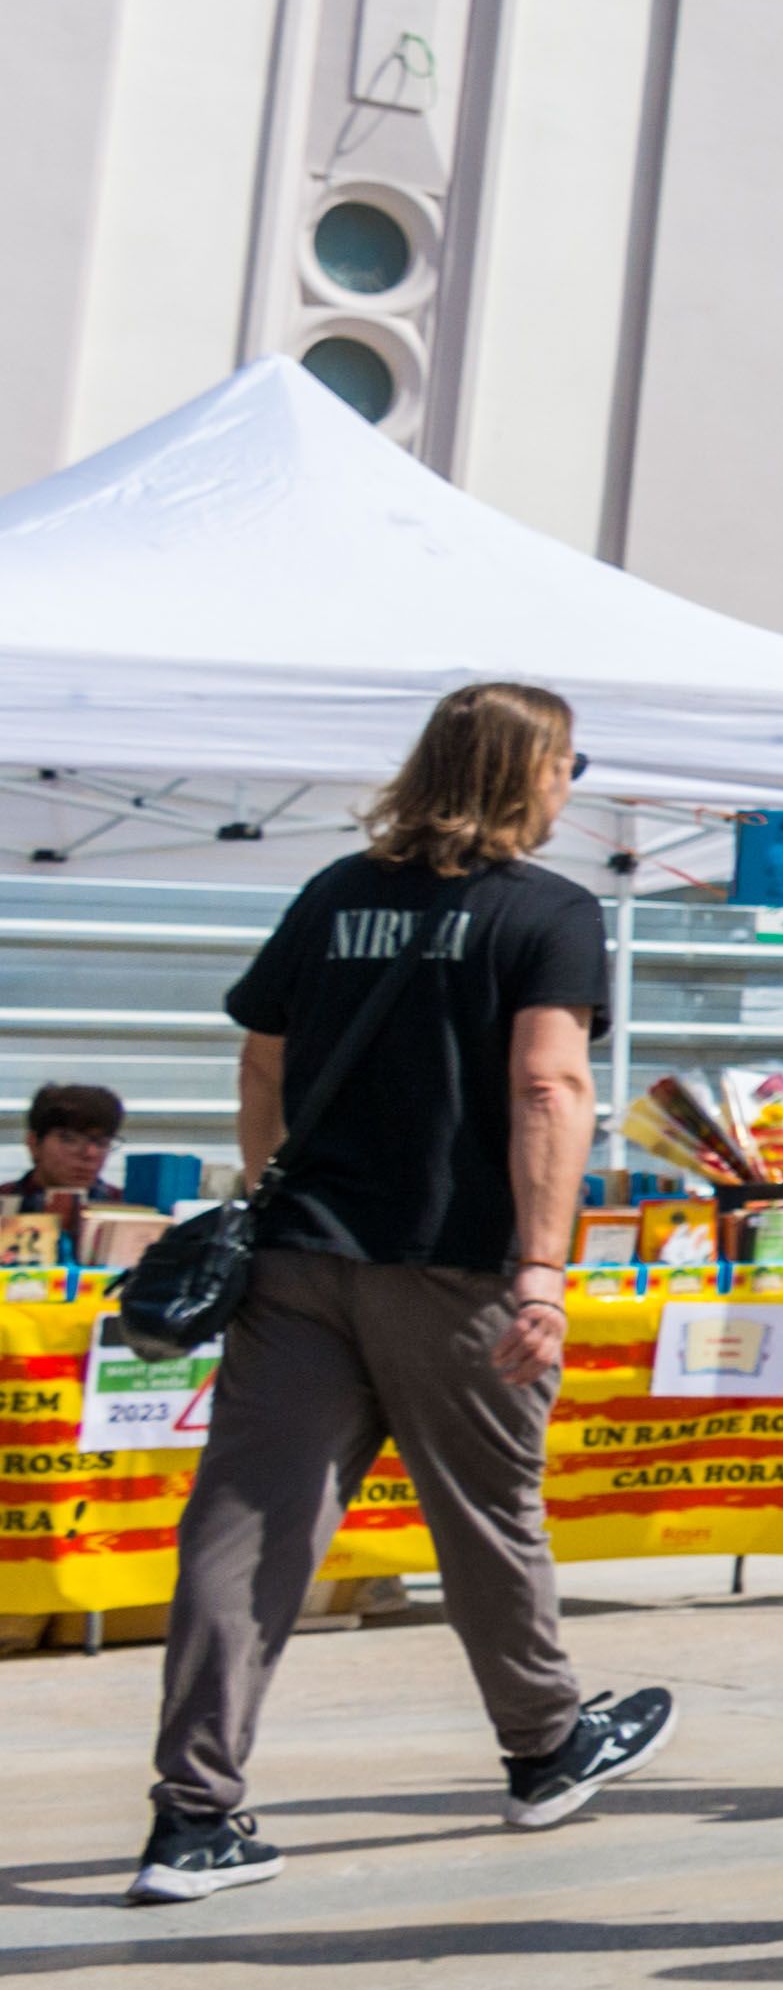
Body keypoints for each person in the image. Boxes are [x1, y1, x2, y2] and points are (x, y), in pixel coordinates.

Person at [132, 683, 671, 1904]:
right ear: (528, 773)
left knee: (248, 1529)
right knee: (485, 1519)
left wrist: (271, 1188)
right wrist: (544, 1265)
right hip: (459, 1263)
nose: (571, 785)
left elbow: (262, 1053)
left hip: (303, 1258)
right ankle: (543, 1746)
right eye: (567, 764)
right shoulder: (548, 912)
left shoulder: (335, 895)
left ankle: (192, 1817)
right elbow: (550, 1088)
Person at [16, 1081, 147, 1254]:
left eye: (101, 1142)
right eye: (69, 1139)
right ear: (34, 1143)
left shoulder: (131, 1211)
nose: (90, 1153)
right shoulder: (7, 1202)